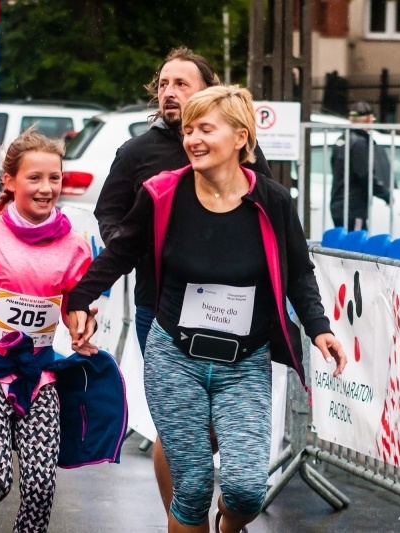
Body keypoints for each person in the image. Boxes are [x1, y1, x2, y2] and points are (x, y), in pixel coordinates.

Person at [68, 85, 347, 533]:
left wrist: (319, 327)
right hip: (175, 358)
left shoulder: (272, 201)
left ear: (240, 137)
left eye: (205, 129)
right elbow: (120, 252)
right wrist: (80, 298)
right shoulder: (162, 194)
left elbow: (298, 271)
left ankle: (227, 525)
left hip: (245, 363)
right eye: (189, 130)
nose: (193, 139)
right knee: (193, 487)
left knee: (246, 490)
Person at [0, 128, 126, 533]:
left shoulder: (74, 245)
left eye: (55, 178)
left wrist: (81, 324)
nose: (47, 188)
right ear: (10, 181)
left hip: (39, 376)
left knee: (40, 486)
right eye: (35, 178)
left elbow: (74, 306)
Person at [94, 46, 273, 513]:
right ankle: (184, 517)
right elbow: (109, 212)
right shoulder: (137, 152)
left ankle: (226, 507)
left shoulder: (241, 151)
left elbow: (268, 217)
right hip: (160, 305)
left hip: (233, 313)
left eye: (181, 83)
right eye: (163, 84)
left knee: (217, 429)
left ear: (209, 91)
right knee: (178, 428)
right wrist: (138, 246)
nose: (169, 92)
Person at [330, 100, 392, 231]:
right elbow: (364, 175)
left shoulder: (342, 139)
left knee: (343, 241)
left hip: (338, 204)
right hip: (353, 206)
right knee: (355, 241)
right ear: (368, 119)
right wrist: (386, 195)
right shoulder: (360, 143)